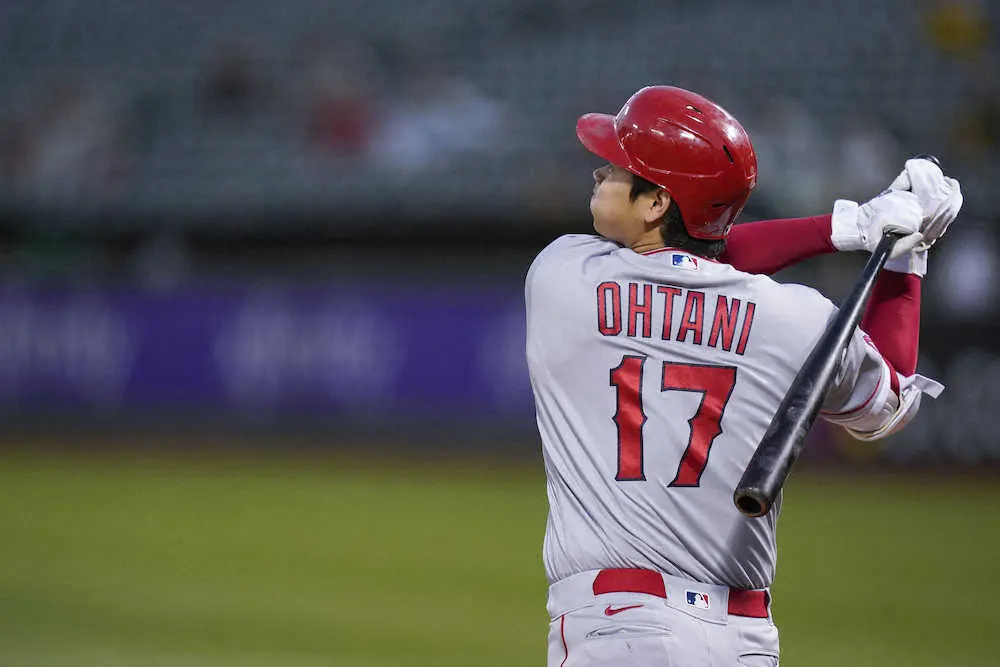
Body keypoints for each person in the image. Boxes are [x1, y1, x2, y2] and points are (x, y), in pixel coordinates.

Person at [524, 85, 963, 667]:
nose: (600, 171)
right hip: (746, 641)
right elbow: (890, 403)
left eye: (618, 167)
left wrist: (845, 227)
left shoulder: (564, 273)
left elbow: (710, 257)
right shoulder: (796, 317)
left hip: (619, 631)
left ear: (656, 204)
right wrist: (905, 253)